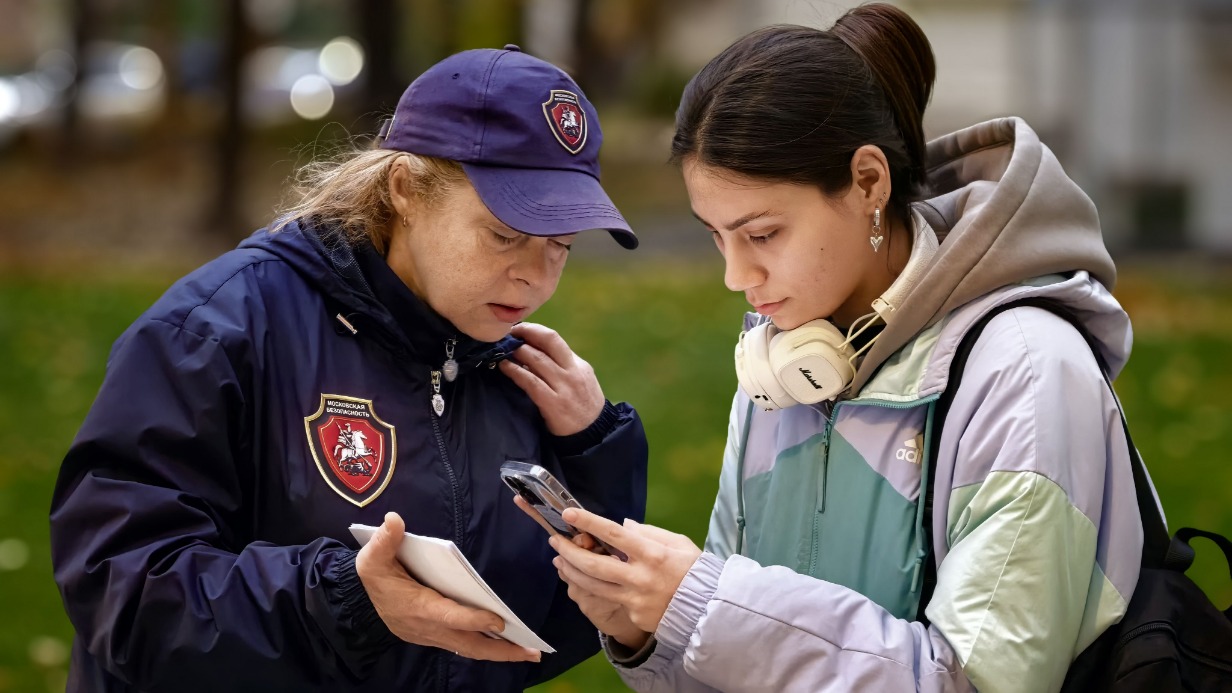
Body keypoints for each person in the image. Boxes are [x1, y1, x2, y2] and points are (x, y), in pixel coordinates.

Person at [543, 5, 1145, 692]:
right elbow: (736, 658)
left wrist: (705, 604)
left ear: (868, 183)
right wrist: (651, 628)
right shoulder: (783, 364)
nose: (736, 277)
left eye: (762, 234)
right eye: (716, 234)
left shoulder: (1027, 373)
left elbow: (972, 682)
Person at [49, 45, 648, 692]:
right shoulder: (215, 332)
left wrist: (594, 453)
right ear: (405, 189)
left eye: (560, 244)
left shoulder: (518, 374)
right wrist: (344, 601)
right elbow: (123, 591)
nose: (534, 275)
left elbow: (536, 639)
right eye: (504, 234)